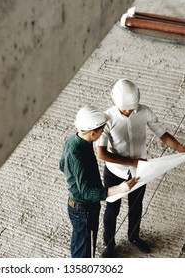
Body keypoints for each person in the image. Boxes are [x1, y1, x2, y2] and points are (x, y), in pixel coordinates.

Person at [97, 79, 185, 258]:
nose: (130, 111)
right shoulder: (107, 118)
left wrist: (179, 147)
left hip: (140, 171)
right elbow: (101, 153)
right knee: (112, 210)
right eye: (126, 109)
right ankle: (109, 245)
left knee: (136, 206)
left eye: (132, 107)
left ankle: (134, 237)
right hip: (115, 172)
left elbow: (162, 133)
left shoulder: (144, 112)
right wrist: (131, 162)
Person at [59, 105, 139, 258]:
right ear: (93, 132)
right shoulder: (78, 154)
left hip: (79, 207)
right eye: (102, 131)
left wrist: (73, 180)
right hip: (84, 210)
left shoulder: (74, 140)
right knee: (84, 252)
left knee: (80, 243)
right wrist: (119, 189)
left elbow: (62, 165)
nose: (103, 133)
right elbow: (87, 192)